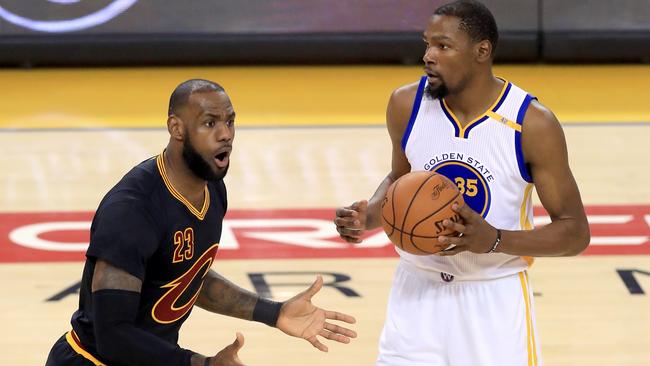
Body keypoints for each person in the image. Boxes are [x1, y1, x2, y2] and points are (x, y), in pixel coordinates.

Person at [334, 1, 590, 365]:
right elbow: (400, 179)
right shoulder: (406, 104)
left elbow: (575, 232)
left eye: (443, 46)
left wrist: (496, 240)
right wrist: (369, 215)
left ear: (481, 51)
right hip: (415, 292)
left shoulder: (532, 124)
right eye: (427, 44)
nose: (428, 56)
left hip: (493, 302)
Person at [46, 79, 357, 366]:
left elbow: (185, 278)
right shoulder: (132, 210)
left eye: (230, 121)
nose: (225, 134)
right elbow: (113, 335)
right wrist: (200, 363)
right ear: (176, 128)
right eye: (210, 123)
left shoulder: (212, 190)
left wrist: (272, 312)